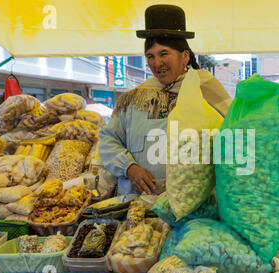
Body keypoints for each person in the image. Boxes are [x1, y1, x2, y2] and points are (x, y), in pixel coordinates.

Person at [99, 5, 231, 195]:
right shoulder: (135, 98)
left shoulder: (206, 90)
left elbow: (232, 138)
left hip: (194, 206)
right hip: (139, 208)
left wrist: (197, 174)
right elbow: (109, 139)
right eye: (150, 56)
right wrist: (130, 168)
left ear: (185, 56)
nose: (156, 63)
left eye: (164, 54)